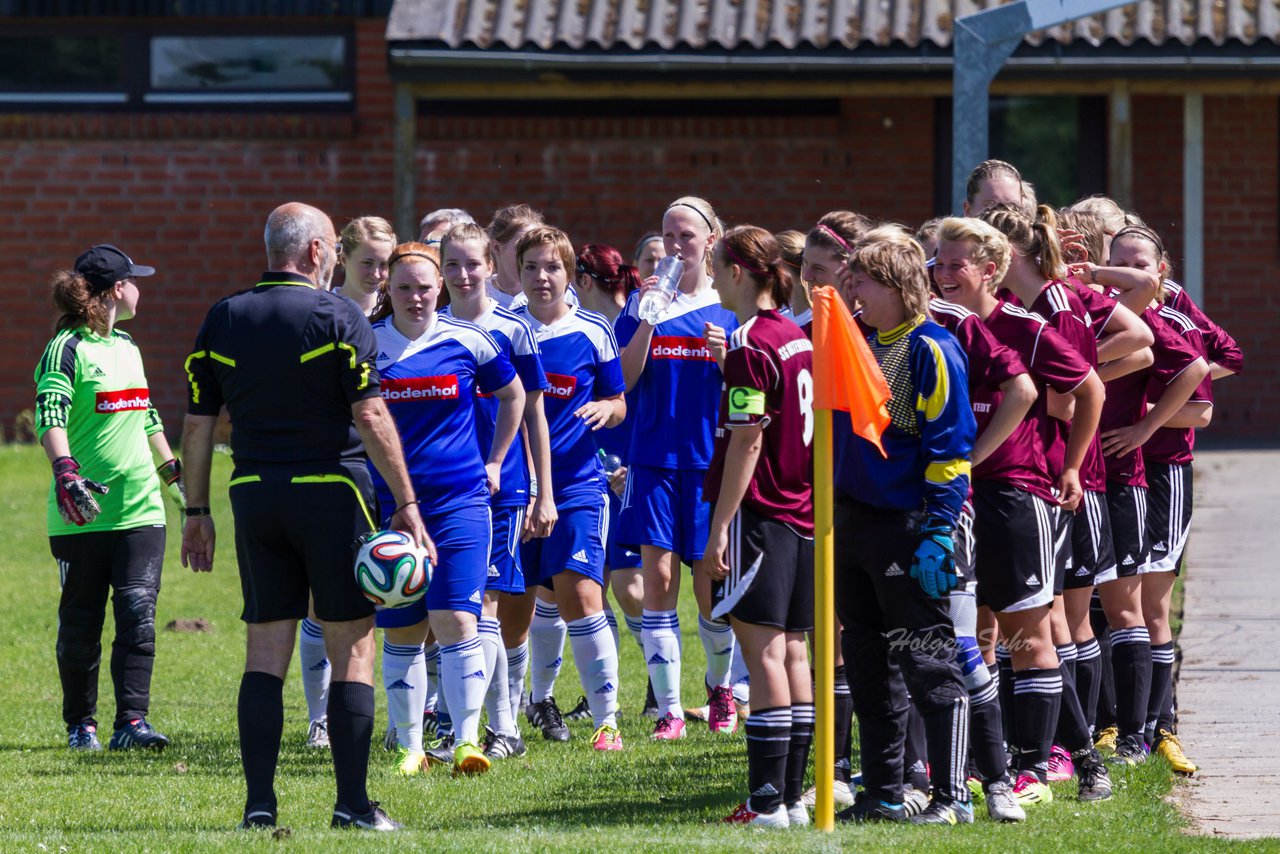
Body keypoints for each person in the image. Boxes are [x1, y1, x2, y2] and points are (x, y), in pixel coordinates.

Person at [181, 202, 429, 832]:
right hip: (331, 494)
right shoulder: (338, 316)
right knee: (352, 645)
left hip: (255, 494)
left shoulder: (224, 317)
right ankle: (352, 806)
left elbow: (198, 425)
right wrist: (405, 503)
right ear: (319, 252)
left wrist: (197, 509)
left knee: (265, 646)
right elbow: (372, 418)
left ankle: (259, 808)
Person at [934, 216, 1113, 806]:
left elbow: (1091, 389)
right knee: (978, 635)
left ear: (991, 270)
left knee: (1030, 636)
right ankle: (1013, 759)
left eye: (956, 263)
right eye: (938, 262)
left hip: (1016, 491)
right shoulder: (935, 327)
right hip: (956, 498)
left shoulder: (1023, 327)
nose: (943, 273)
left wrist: (1070, 466)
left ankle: (1043, 766)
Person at [833, 226, 974, 826]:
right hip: (853, 525)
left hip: (910, 525)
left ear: (892, 283)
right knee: (868, 666)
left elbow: (950, 444)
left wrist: (939, 527)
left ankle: (953, 796)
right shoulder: (858, 341)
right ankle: (886, 789)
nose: (852, 287)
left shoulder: (931, 347)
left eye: (861, 277)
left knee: (929, 664)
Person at [368, 241, 525, 776]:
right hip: (392, 508)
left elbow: (515, 396)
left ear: (441, 287)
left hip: (461, 500)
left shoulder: (469, 339)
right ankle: (411, 747)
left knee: (458, 618)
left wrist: (497, 460)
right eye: (404, 287)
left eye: (424, 287)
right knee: (405, 627)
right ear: (387, 288)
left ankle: (465, 742)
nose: (416, 297)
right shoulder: (368, 345)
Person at [34, 244, 176, 753]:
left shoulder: (128, 346)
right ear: (118, 289)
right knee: (82, 621)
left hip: (141, 509)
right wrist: (65, 471)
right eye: (134, 280)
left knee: (138, 615)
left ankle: (132, 723)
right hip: (82, 511)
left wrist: (173, 474)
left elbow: (147, 414)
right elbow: (49, 412)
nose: (140, 287)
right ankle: (82, 726)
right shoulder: (67, 347)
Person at [700, 225, 815, 828]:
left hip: (762, 512)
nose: (713, 278)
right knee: (793, 650)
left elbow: (747, 438)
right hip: (801, 511)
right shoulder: (795, 335)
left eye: (717, 268)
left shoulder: (750, 342)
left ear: (739, 272)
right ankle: (792, 798)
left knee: (764, 650)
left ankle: (767, 800)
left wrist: (720, 525)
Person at [616, 195, 740, 740]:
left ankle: (719, 690)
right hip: (653, 458)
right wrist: (646, 319)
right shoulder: (645, 304)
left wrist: (725, 357)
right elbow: (622, 379)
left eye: (686, 235)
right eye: (667, 235)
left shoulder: (730, 306)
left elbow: (753, 391)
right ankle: (668, 708)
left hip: (711, 462)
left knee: (711, 585)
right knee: (659, 576)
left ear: (711, 240)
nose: (674, 246)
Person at [438, 222, 555, 759]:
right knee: (452, 605)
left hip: (503, 487)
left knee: (485, 602)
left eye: (472, 263)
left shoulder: (513, 329)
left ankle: (502, 727)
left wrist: (541, 492)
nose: (463, 275)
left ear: (491, 266)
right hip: (443, 489)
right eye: (453, 264)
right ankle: (449, 720)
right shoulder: (431, 327)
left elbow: (534, 414)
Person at [514, 225, 628, 752]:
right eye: (532, 266)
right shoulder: (504, 330)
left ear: (570, 275)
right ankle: (529, 704)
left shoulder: (594, 330)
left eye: (553, 267)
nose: (543, 277)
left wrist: (609, 408)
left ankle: (607, 720)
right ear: (517, 272)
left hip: (579, 484)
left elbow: (619, 400)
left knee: (580, 592)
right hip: (515, 488)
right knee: (524, 601)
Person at [575, 243, 652, 714]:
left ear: (584, 280)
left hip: (632, 464)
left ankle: (663, 684)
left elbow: (637, 394)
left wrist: (637, 462)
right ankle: (597, 695)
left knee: (630, 584)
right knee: (588, 582)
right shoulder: (583, 327)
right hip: (588, 465)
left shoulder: (629, 326)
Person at [335, 217, 397, 316]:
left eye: (383, 264)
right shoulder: (323, 310)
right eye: (367, 263)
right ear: (344, 259)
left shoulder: (396, 314)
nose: (376, 275)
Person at [487, 204, 546, 308]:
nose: (533, 256)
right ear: (496, 247)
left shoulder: (558, 292)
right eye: (522, 246)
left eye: (538, 246)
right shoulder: (478, 294)